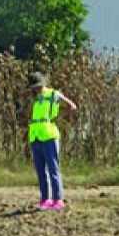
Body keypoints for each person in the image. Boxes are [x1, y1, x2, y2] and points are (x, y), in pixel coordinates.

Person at [27, 72, 77, 210]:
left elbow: (72, 105)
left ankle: (58, 199)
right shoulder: (35, 99)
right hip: (35, 136)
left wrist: (60, 115)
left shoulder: (53, 94)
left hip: (49, 135)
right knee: (41, 170)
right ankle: (45, 199)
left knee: (53, 168)